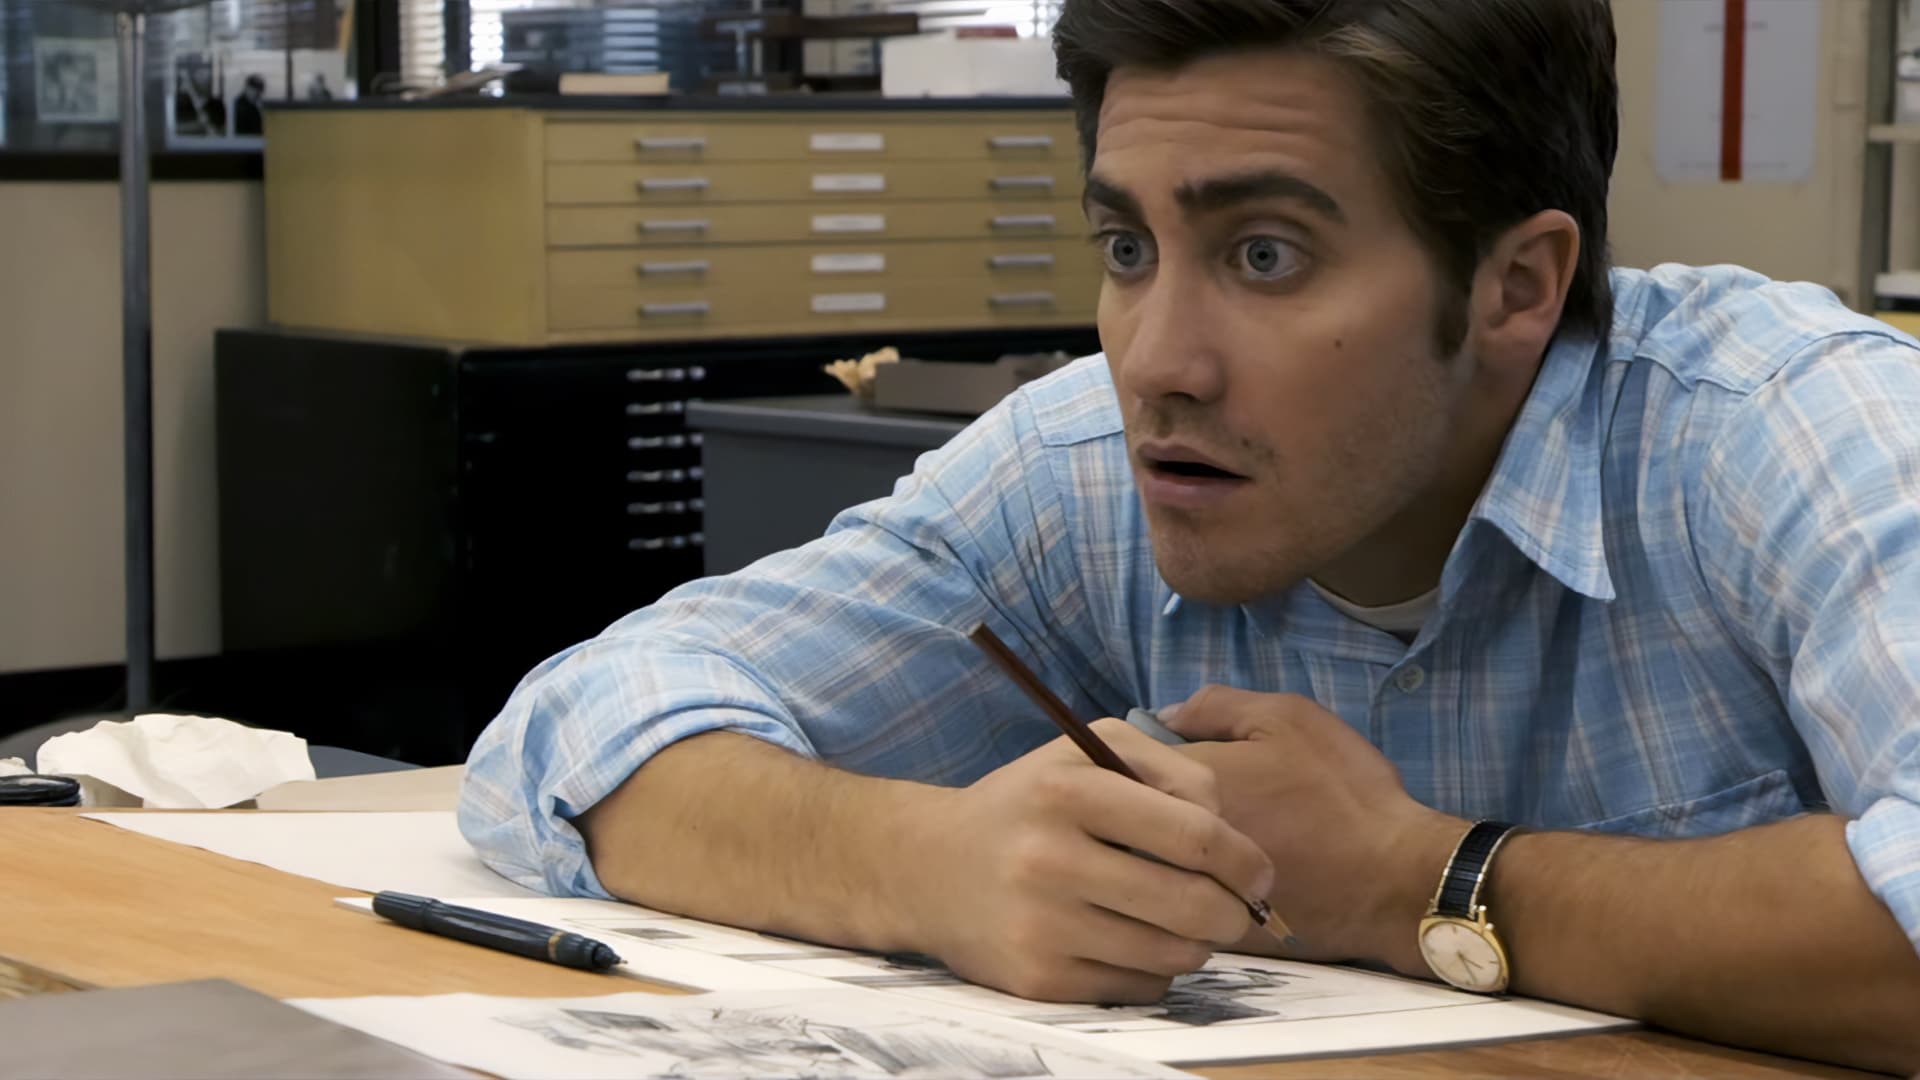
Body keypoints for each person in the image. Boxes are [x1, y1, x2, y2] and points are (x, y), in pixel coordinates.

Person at [460, 0, 1920, 1071]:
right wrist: (931, 864)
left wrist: (1415, 881)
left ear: (1515, 287)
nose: (1157, 359)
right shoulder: (1084, 470)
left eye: (1264, 255)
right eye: (1127, 249)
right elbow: (577, 726)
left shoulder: (1788, 433)